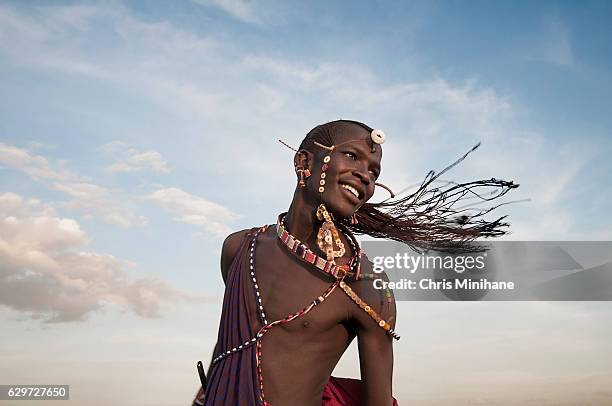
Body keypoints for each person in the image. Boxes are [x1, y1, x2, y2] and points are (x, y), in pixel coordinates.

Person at [192, 120, 517, 406]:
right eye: (351, 156)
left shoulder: (366, 286)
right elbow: (229, 354)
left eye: (374, 172)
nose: (365, 175)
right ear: (304, 161)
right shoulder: (239, 249)